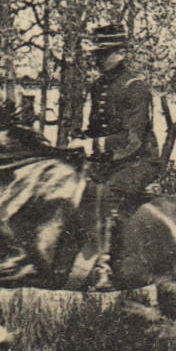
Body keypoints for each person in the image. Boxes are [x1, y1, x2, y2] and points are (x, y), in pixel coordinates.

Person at [69, 23, 161, 289]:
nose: (96, 60)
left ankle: (104, 267)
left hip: (138, 161)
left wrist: (92, 146)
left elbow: (133, 139)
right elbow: (94, 129)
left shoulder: (135, 87)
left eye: (103, 53)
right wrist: (78, 144)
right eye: (96, 54)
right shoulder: (98, 86)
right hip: (109, 160)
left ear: (120, 53)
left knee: (108, 194)